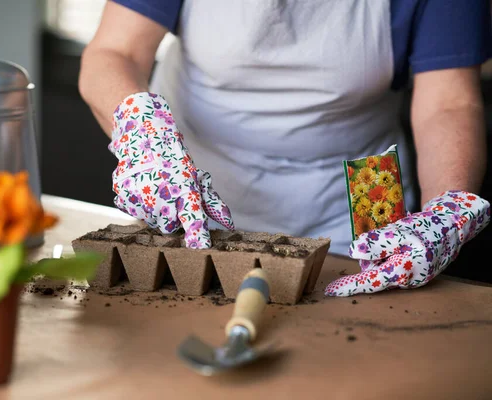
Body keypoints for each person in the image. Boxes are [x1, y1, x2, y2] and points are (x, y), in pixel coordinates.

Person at [78, 0, 491, 296]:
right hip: (193, 182)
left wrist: (449, 206)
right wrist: (143, 137)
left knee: (360, 341)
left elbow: (449, 102)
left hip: (363, 191)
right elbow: (115, 51)